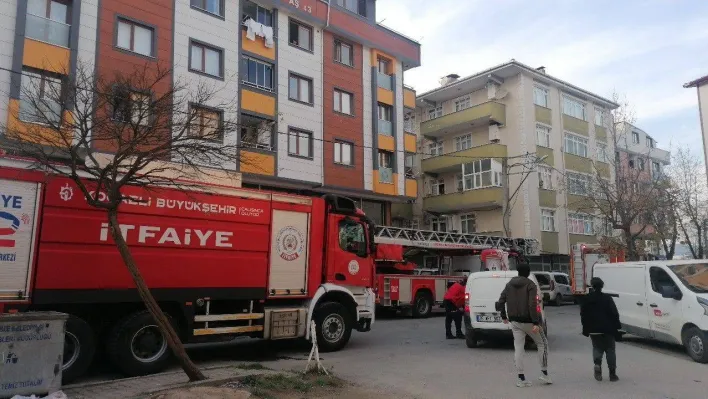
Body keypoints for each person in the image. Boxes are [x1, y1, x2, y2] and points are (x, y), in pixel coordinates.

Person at [496, 264, 551, 388]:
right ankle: (544, 373)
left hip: (514, 321)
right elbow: (532, 304)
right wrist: (536, 322)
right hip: (529, 321)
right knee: (543, 344)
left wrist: (504, 316)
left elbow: (501, 301)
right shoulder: (530, 284)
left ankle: (521, 378)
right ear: (528, 272)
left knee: (519, 348)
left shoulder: (509, 284)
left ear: (518, 272)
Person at [580, 277, 621, 382]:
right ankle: (612, 374)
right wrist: (617, 328)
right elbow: (614, 314)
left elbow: (583, 315)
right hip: (608, 329)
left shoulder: (586, 298)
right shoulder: (607, 298)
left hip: (594, 329)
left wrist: (586, 328)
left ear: (592, 286)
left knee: (597, 348)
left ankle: (597, 364)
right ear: (602, 286)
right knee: (610, 350)